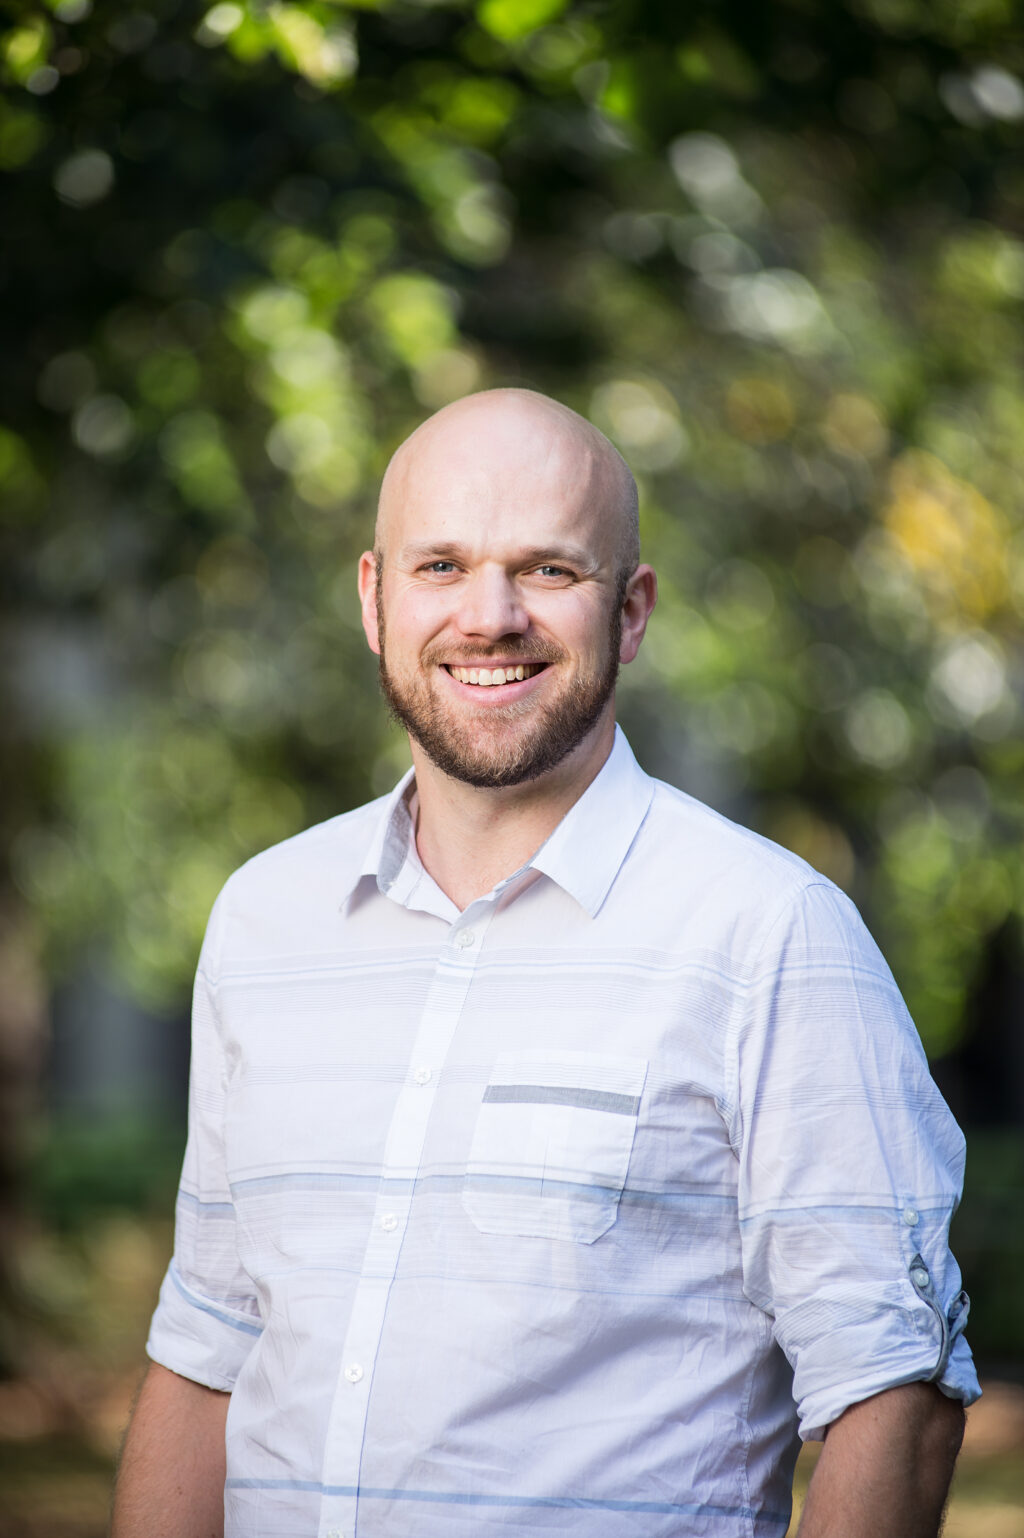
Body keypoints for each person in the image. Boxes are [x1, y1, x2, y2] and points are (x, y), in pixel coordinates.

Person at [112, 388, 978, 1538]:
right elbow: (208, 1345)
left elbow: (893, 1390)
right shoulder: (265, 920)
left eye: (550, 571)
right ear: (374, 598)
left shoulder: (770, 933)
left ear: (630, 610)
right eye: (442, 566)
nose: (490, 615)